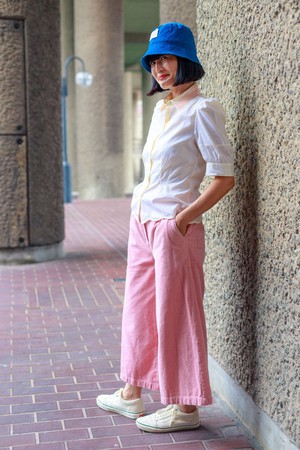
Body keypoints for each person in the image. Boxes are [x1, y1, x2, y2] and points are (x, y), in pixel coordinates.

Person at [96, 22, 235, 433]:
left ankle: (185, 408)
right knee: (138, 309)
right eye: (154, 60)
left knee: (177, 314)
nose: (159, 67)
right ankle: (131, 392)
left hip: (174, 228)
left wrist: (182, 220)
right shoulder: (162, 109)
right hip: (142, 222)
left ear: (185, 61)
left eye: (167, 58)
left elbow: (224, 178)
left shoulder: (202, 110)